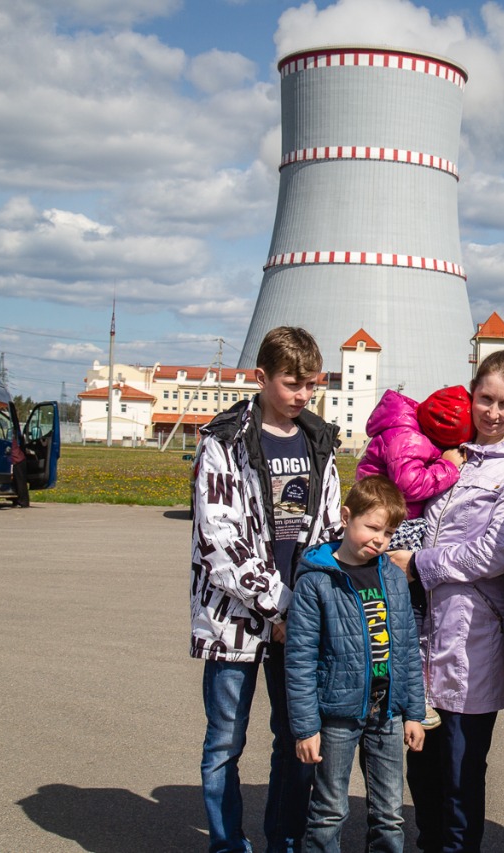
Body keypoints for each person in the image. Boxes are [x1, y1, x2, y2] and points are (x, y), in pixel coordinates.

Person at [190, 326, 342, 853]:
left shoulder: (320, 442)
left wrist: (306, 607)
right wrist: (279, 605)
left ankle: (285, 840)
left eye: (311, 384)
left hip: (298, 619)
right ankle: (227, 844)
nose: (303, 395)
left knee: (297, 738)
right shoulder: (223, 441)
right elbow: (218, 538)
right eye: (292, 383)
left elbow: (328, 532)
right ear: (261, 377)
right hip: (233, 619)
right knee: (224, 742)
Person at [389, 348, 504, 853]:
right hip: (416, 627)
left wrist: (418, 563)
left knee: (460, 768)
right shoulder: (446, 449)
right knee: (420, 760)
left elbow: (492, 554)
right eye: (485, 399)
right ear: (471, 395)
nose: (492, 413)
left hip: (471, 633)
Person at [286, 476, 426, 853]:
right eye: (373, 527)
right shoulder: (317, 581)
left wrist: (414, 713)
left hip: (388, 714)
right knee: (329, 810)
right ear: (346, 517)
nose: (380, 540)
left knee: (390, 814)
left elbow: (407, 648)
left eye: (389, 533)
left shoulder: (393, 577)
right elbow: (300, 659)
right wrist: (306, 728)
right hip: (337, 715)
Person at [357, 385, 473, 730]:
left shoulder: (407, 430)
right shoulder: (406, 437)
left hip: (396, 523)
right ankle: (408, 689)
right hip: (392, 526)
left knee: (410, 613)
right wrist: (447, 465)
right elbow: (409, 485)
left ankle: (406, 686)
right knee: (407, 612)